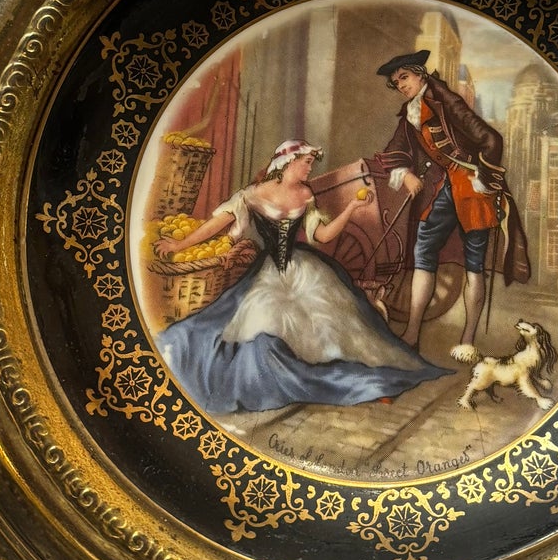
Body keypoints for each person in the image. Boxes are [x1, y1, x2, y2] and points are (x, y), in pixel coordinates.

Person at [152, 140, 445, 414]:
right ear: (286, 162)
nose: (309, 169)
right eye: (305, 162)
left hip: (306, 266)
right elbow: (216, 224)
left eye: (310, 163)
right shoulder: (252, 194)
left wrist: (352, 208)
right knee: (260, 321)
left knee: (337, 321)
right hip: (269, 271)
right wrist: (179, 245)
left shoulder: (305, 194)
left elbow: (322, 235)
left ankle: (353, 374)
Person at [377, 49, 531, 355]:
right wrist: (404, 173)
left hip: (473, 188)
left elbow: (491, 139)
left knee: (475, 264)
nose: (401, 85)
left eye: (404, 77)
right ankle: (411, 333)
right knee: (423, 252)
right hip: (443, 188)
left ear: (419, 73)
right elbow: (395, 148)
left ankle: (468, 340)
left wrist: (483, 177)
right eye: (396, 82)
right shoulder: (411, 111)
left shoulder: (446, 100)